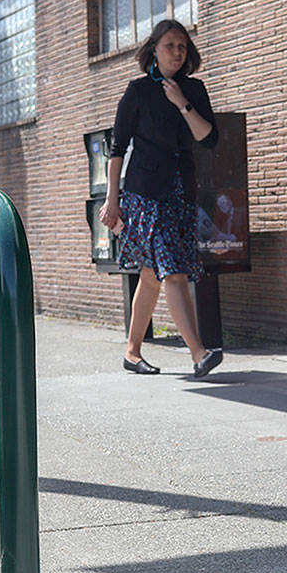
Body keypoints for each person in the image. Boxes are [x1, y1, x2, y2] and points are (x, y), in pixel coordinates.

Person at [101, 19, 223, 378]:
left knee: (153, 275)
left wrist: (182, 103)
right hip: (146, 195)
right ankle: (199, 353)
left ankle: (132, 352)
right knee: (174, 272)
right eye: (170, 45)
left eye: (182, 46)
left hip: (181, 192)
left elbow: (208, 138)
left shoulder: (194, 90)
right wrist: (112, 199)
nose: (177, 52)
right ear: (154, 49)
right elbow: (117, 149)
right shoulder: (138, 91)